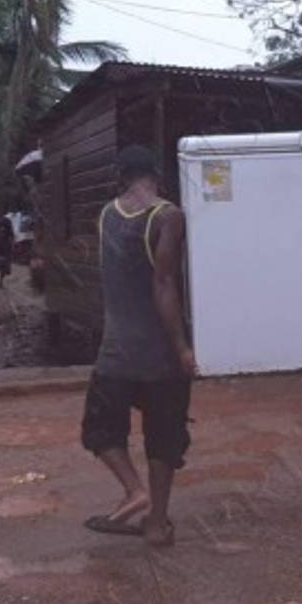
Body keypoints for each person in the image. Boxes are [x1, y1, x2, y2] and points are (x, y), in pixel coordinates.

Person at [81, 144, 195, 548]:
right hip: (160, 355)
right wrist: (182, 347)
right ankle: (156, 522)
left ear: (121, 177)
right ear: (156, 175)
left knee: (101, 429)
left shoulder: (106, 215)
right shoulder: (168, 216)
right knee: (163, 436)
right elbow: (163, 283)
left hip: (115, 351)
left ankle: (133, 490)